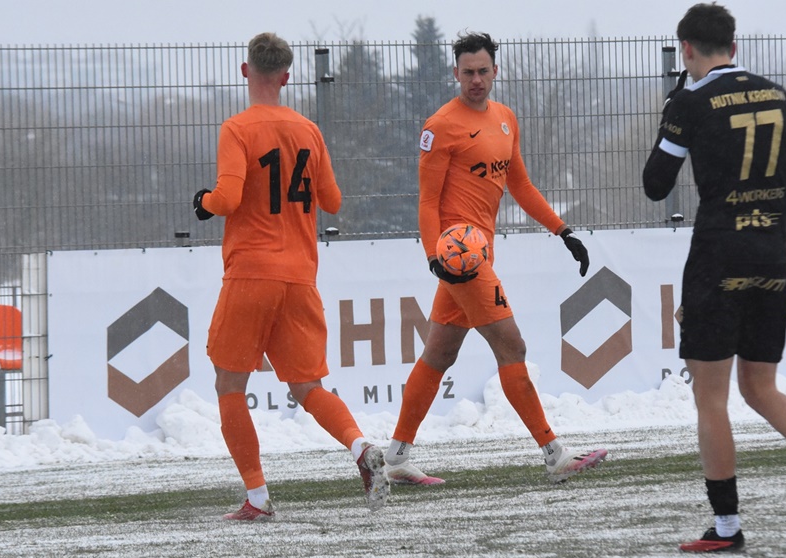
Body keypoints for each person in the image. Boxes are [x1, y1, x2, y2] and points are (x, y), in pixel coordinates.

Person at [642, 3, 786, 551]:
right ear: (733, 46)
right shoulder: (779, 96)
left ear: (686, 49)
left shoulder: (691, 101)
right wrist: (764, 233)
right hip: (773, 253)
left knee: (711, 398)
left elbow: (655, 185)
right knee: (761, 386)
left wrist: (671, 115)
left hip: (717, 254)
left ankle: (727, 527)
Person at [384, 31, 607, 486]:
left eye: (483, 71)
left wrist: (563, 231)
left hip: (480, 252)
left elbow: (519, 185)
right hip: (461, 261)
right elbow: (427, 202)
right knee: (512, 346)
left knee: (439, 353)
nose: (476, 80)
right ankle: (555, 454)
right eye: (468, 72)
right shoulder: (439, 126)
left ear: (495, 71)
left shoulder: (505, 118)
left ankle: (396, 456)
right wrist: (434, 258)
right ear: (455, 73)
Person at [192, 32, 389, 520]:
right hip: (300, 277)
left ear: (245, 71)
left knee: (229, 385)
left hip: (251, 274)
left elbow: (227, 198)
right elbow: (333, 201)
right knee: (308, 386)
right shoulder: (309, 130)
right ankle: (360, 446)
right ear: (286, 76)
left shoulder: (237, 128)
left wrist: (203, 202)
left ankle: (258, 498)